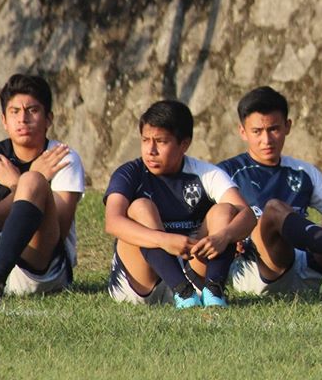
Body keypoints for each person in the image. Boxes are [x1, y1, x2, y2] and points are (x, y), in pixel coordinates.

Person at [218, 86, 322, 301]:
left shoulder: (302, 171)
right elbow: (209, 221)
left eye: (274, 129)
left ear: (287, 126)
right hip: (263, 268)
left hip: (308, 265)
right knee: (274, 209)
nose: (267, 139)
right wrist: (229, 236)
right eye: (257, 131)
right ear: (243, 132)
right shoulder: (225, 172)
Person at [103, 100, 255, 308]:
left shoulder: (206, 173)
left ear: (184, 144)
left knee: (226, 211)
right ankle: (182, 292)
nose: (151, 150)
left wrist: (224, 237)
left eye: (161, 141)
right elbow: (112, 222)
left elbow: (248, 216)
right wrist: (163, 240)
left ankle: (213, 290)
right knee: (141, 207)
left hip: (192, 273)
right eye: (146, 140)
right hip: (142, 283)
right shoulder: (130, 173)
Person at [0, 74, 85, 303]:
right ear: (4, 120)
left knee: (33, 181)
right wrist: (17, 189)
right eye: (14, 112)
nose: (22, 119)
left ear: (49, 119)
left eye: (32, 110)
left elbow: (60, 231)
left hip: (40, 268)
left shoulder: (62, 156)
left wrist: (26, 181)